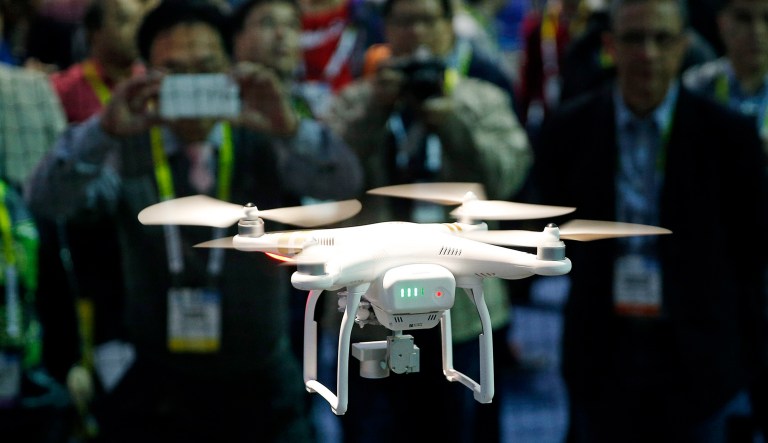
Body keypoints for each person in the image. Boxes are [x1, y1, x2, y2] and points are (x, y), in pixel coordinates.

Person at [24, 1, 364, 442]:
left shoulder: (264, 131)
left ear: (230, 67)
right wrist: (101, 131)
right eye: (173, 70)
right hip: (158, 385)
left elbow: (344, 184)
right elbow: (47, 201)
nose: (191, 84)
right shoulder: (125, 143)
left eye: (205, 67)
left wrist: (291, 130)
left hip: (262, 379)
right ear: (145, 73)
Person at [529, 0, 768, 441]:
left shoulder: (729, 136)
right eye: (634, 39)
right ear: (610, 46)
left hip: (701, 354)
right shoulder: (571, 130)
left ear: (684, 46)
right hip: (601, 345)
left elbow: (750, 256)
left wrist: (748, 360)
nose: (648, 54)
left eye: (662, 39)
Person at [321, 0, 532, 441]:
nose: (416, 31)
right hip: (372, 307)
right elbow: (326, 177)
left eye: (427, 20)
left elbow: (508, 176)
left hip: (463, 308)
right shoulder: (356, 100)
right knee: (373, 428)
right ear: (386, 29)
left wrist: (451, 124)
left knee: (460, 427)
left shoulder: (480, 98)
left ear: (448, 28)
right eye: (404, 20)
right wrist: (375, 112)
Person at [682, 0, 768, 153]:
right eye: (744, 18)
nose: (757, 31)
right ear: (722, 22)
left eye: (767, 18)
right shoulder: (695, 85)